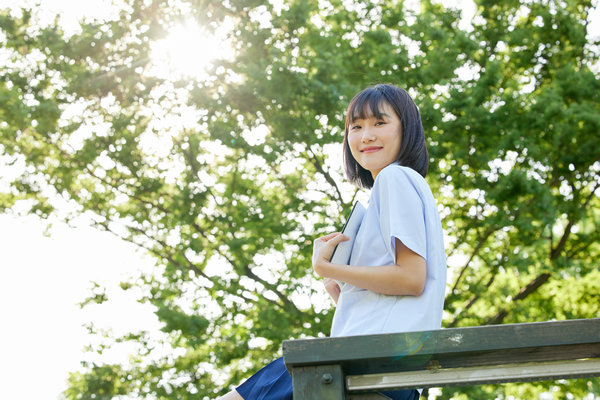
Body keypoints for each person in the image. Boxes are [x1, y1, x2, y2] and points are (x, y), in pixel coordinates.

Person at [219, 84, 447, 400]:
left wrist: (326, 266)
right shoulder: (405, 187)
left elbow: (411, 278)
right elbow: (401, 295)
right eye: (356, 126)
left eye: (379, 123)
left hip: (367, 366)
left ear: (405, 129)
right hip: (386, 371)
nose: (366, 135)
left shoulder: (395, 179)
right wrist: (347, 295)